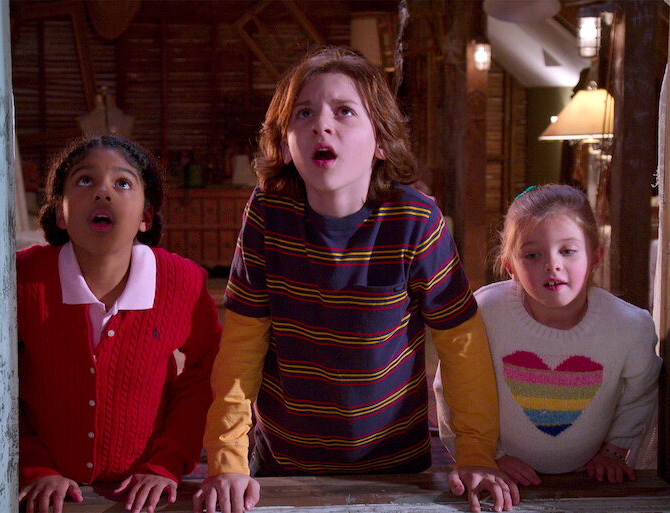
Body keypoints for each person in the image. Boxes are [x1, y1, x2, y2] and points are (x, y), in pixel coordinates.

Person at [193, 47, 518, 513]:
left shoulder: (416, 220)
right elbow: (241, 347)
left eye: (344, 111)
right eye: (304, 113)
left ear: (381, 140)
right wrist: (227, 459)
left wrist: (475, 453)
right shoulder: (266, 214)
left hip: (396, 467)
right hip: (283, 463)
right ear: (285, 144)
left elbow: (461, 346)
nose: (321, 125)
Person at [17, 135, 221, 513]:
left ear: (146, 217)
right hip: (43, 493)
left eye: (123, 183)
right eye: (85, 180)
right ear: (60, 212)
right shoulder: (22, 278)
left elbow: (207, 371)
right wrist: (33, 465)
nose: (103, 192)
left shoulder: (182, 281)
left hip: (143, 496)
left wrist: (167, 462)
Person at [434, 183, 661, 488]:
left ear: (595, 257)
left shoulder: (630, 326)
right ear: (510, 267)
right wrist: (487, 456)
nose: (552, 264)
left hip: (589, 477)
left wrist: (614, 451)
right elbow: (452, 388)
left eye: (567, 251)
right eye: (532, 255)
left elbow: (640, 394)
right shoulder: (485, 313)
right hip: (503, 473)